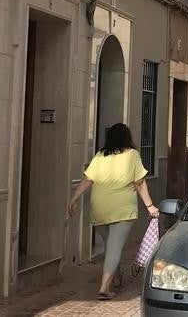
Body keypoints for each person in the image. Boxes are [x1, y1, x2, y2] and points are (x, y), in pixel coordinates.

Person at [68, 123, 159, 299]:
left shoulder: (100, 155)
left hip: (99, 208)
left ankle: (116, 278)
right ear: (127, 138)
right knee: (114, 247)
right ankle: (104, 287)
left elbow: (87, 179)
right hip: (122, 209)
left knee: (111, 245)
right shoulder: (132, 155)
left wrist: (74, 198)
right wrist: (150, 206)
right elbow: (139, 182)